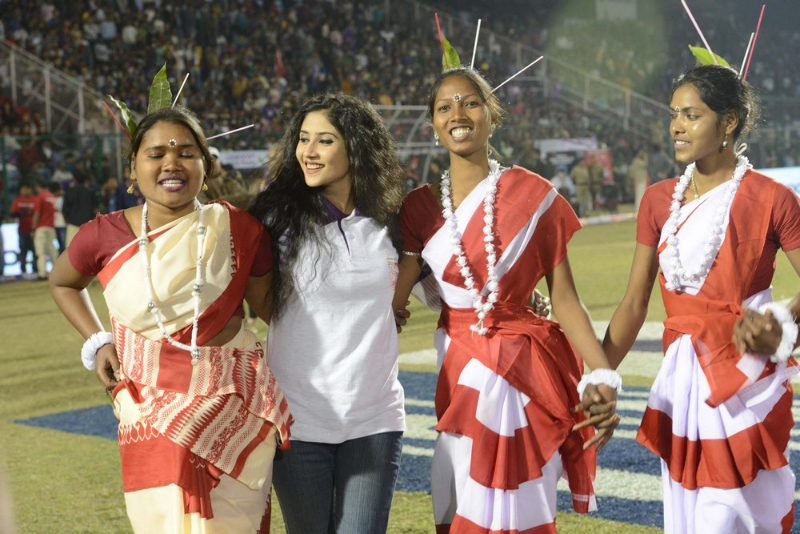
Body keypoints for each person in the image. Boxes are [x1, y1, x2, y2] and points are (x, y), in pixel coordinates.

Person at [392, 66, 621, 533]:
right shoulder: (418, 207)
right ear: (433, 125)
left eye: (471, 102)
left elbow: (566, 299)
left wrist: (602, 373)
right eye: (444, 107)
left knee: (520, 506)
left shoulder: (535, 195)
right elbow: (397, 296)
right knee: (453, 495)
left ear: (492, 116)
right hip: (457, 367)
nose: (458, 113)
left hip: (524, 370)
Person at [49, 105, 291, 533]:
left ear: (207, 164)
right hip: (147, 410)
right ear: (133, 168)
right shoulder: (102, 235)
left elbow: (275, 310)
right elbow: (63, 283)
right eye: (156, 153)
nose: (171, 164)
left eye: (185, 153)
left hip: (233, 404)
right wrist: (98, 340)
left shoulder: (239, 228)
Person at [603, 64, 800, 533]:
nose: (676, 126)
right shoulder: (656, 200)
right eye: (674, 114)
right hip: (682, 386)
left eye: (691, 115)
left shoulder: (774, 198)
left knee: (730, 519)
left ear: (728, 122)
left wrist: (781, 319)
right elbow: (634, 304)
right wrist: (597, 374)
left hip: (744, 379)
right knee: (689, 520)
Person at [249, 93, 406, 533]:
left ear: (355, 146)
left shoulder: (392, 217)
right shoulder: (273, 218)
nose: (308, 152)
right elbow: (263, 303)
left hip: (374, 417)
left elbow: (432, 285)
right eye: (303, 139)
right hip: (298, 421)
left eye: (324, 140)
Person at [62, 173, 99, 246]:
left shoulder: (69, 192)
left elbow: (64, 208)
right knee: (87, 247)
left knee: (70, 249)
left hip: (73, 223)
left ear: (75, 180)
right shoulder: (90, 192)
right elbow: (95, 209)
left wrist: (66, 219)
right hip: (87, 224)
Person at [32, 180, 58, 280]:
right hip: (51, 227)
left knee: (41, 252)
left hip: (41, 227)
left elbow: (37, 213)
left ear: (38, 187)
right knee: (52, 251)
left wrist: (33, 228)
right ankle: (58, 273)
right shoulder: (52, 197)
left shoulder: (40, 197)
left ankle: (42, 273)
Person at [9, 183, 37, 276]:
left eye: (26, 189)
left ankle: (35, 269)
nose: (24, 191)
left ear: (30, 189)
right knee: (23, 251)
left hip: (33, 230)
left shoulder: (35, 200)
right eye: (23, 189)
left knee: (35, 251)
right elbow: (12, 213)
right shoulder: (18, 200)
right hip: (23, 230)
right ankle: (23, 270)